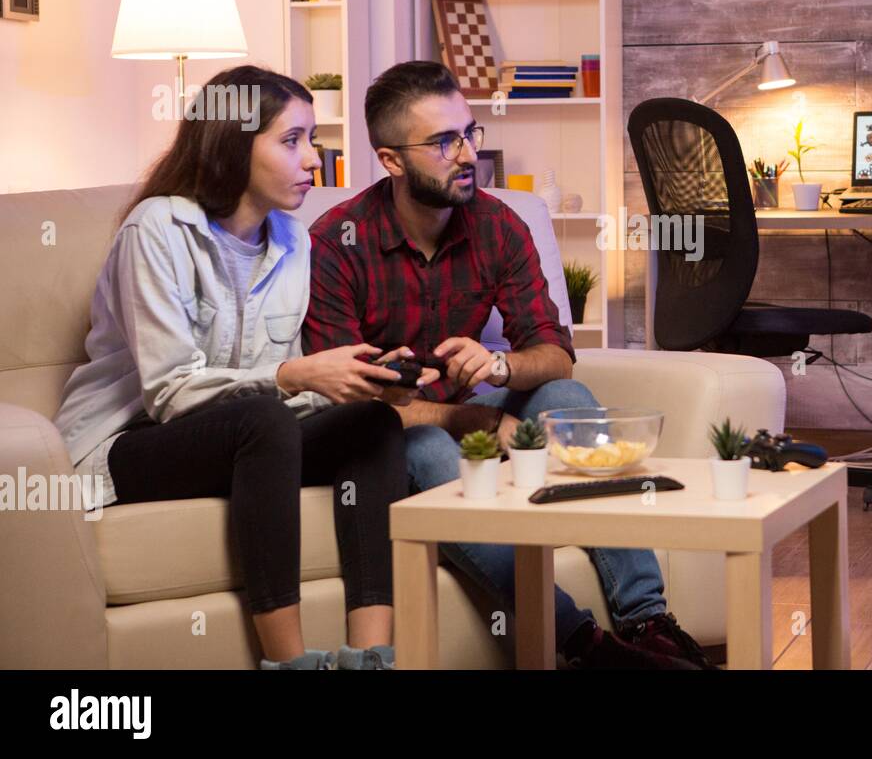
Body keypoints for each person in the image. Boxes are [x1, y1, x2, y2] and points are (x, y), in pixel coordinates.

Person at [303, 60, 714, 669]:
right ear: (391, 160)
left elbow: (556, 355)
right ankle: (582, 644)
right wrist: (473, 420)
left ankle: (648, 622)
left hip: (475, 401)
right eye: (444, 143)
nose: (468, 154)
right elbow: (354, 402)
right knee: (432, 453)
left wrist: (499, 370)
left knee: (568, 406)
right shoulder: (335, 243)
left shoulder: (499, 223)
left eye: (470, 133)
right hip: (393, 431)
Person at [55, 66, 421, 670]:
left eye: (313, 140)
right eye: (291, 140)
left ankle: (371, 656)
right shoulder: (158, 230)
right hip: (124, 444)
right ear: (232, 142)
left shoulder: (293, 241)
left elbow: (276, 387)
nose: (313, 160)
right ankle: (290, 663)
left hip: (237, 435)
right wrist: (295, 377)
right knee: (264, 418)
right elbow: (171, 394)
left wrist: (358, 380)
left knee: (371, 423)